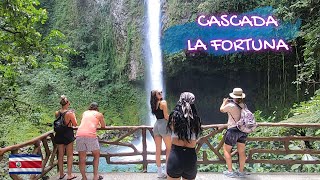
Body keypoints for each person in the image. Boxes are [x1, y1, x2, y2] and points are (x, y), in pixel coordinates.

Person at [166, 92, 202, 180]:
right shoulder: (196, 119)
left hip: (176, 155)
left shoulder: (174, 117)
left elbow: (172, 130)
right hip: (190, 156)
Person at [220, 88, 248, 178]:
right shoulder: (244, 105)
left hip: (233, 130)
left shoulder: (231, 106)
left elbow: (221, 110)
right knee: (242, 152)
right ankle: (241, 171)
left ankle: (230, 171)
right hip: (243, 130)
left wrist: (224, 102)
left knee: (226, 150)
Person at [76, 102, 106, 180]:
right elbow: (103, 126)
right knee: (96, 155)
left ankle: (84, 177)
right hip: (90, 135)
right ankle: (95, 176)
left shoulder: (85, 113)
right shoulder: (99, 114)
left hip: (79, 134)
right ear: (97, 108)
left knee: (82, 158)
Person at [53, 95, 77, 180]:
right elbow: (75, 124)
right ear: (67, 103)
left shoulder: (57, 112)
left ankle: (61, 174)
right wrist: (73, 114)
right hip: (68, 134)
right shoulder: (70, 113)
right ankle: (69, 175)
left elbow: (60, 122)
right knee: (70, 155)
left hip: (59, 134)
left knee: (60, 155)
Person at [150, 90, 171, 178]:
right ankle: (167, 171)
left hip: (156, 125)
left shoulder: (153, 104)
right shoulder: (163, 102)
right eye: (159, 93)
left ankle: (159, 173)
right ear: (155, 96)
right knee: (169, 148)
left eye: (161, 92)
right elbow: (166, 116)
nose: (161, 94)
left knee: (158, 150)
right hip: (163, 125)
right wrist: (173, 120)